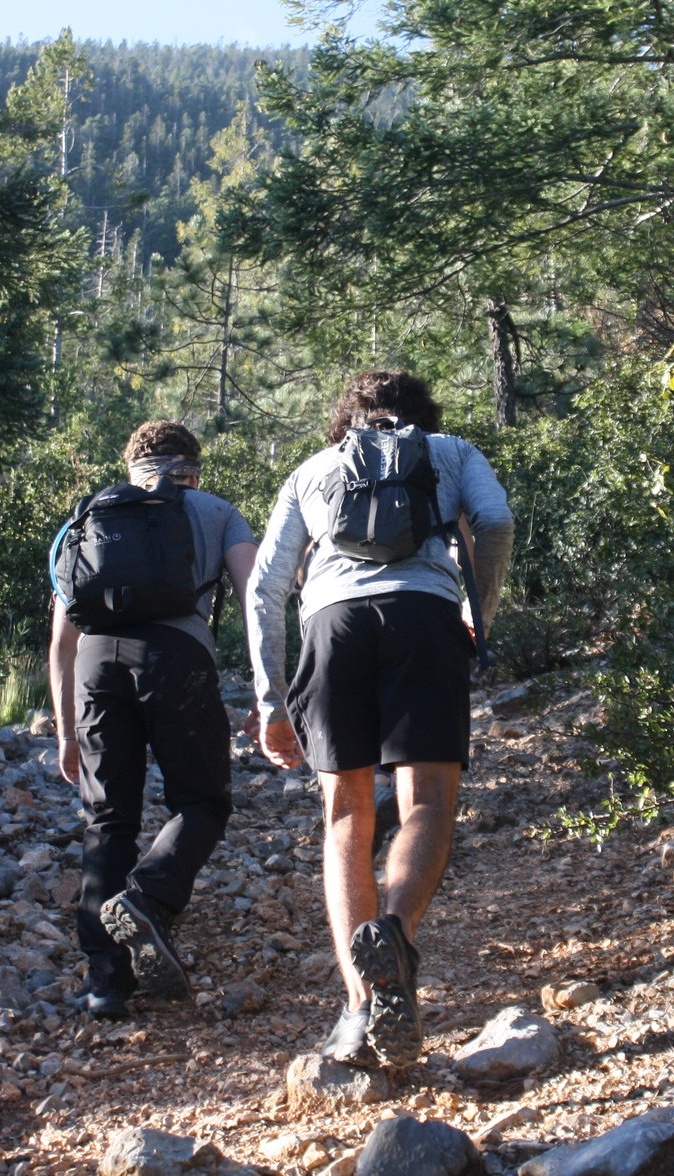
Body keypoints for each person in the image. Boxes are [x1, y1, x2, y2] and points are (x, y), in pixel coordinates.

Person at [246, 371, 513, 1069]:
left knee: (346, 816)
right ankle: (393, 934)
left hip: (332, 626)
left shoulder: (312, 470)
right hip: (423, 616)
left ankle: (359, 1009)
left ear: (346, 421)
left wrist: (272, 699)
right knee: (426, 802)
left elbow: (265, 586)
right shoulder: (452, 452)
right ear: (423, 415)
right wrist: (477, 614)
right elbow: (496, 523)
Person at [47, 420, 257, 1017]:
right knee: (202, 802)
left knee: (107, 819)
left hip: (96, 663)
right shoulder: (217, 512)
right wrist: (269, 689)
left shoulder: (88, 517)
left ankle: (105, 982)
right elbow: (256, 597)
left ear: (131, 468)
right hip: (175, 658)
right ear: (194, 472)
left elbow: (61, 641)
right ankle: (148, 897)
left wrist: (66, 731)